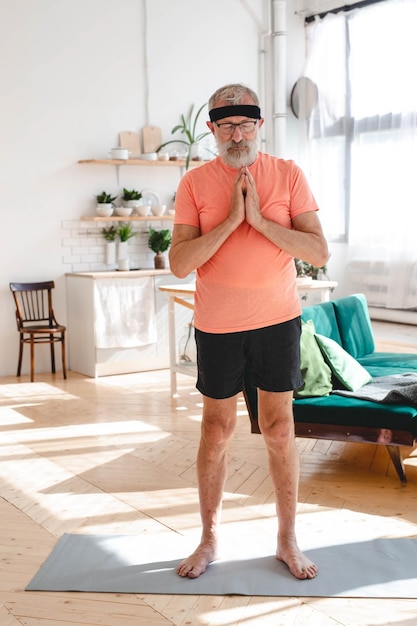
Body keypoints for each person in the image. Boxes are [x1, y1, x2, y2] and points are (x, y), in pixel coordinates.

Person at [169, 83, 328, 581]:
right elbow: (179, 263)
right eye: (226, 125)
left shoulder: (288, 174)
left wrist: (257, 220)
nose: (236, 134)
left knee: (280, 430)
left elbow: (318, 252)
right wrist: (232, 220)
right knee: (217, 431)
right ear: (212, 130)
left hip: (277, 320)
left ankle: (287, 539)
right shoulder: (195, 183)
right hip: (217, 325)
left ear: (260, 126)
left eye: (245, 124)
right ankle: (209, 537)